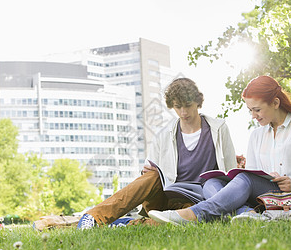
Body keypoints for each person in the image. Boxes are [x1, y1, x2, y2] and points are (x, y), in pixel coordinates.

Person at [148, 75, 291, 224]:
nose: (253, 116)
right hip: (269, 195)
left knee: (243, 179)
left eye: (257, 110)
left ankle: (192, 214)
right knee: (211, 184)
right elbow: (252, 174)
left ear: (275, 103)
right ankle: (248, 214)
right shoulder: (257, 135)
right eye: (250, 110)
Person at [77, 77, 237, 229]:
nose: (183, 112)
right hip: (164, 197)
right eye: (177, 107)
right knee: (152, 177)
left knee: (189, 219)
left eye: (187, 105)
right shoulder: (164, 134)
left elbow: (231, 173)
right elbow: (149, 171)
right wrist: (147, 172)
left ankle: (125, 223)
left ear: (197, 101)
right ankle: (93, 217)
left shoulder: (218, 129)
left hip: (197, 201)